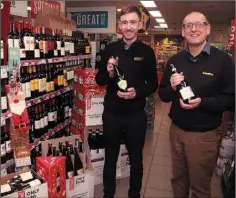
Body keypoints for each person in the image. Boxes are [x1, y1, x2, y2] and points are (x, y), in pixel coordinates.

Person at [158, 11, 235, 198]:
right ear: (183, 31)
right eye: (188, 25)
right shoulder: (175, 61)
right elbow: (163, 95)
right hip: (175, 132)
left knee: (200, 187)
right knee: (178, 180)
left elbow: (231, 99)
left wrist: (203, 103)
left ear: (208, 29)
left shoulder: (223, 61)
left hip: (203, 136)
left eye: (199, 24)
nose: (194, 29)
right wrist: (173, 87)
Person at [95, 4, 158, 198]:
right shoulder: (110, 49)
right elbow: (100, 80)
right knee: (110, 158)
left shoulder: (147, 52)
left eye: (132, 22)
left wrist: (136, 92)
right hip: (112, 113)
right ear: (119, 26)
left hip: (135, 115)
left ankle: (134, 194)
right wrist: (109, 72)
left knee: (136, 159)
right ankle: (108, 194)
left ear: (139, 24)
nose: (128, 27)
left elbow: (153, 84)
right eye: (124, 23)